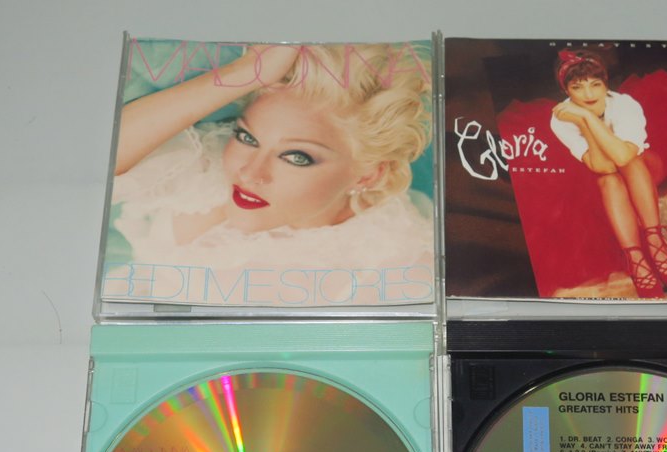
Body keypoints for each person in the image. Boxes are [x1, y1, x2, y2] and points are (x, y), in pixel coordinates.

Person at [107, 42, 433, 306]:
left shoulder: (395, 262)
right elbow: (105, 161)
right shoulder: (210, 171)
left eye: (296, 157)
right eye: (247, 137)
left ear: (367, 176)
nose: (250, 173)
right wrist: (247, 72)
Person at [550, 50, 667, 298]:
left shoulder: (624, 104)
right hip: (604, 177)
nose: (589, 94)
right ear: (566, 91)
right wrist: (585, 122)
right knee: (609, 180)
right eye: (578, 87)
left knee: (630, 163)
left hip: (645, 167)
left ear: (605, 83)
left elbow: (622, 158)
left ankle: (655, 242)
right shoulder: (561, 119)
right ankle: (636, 257)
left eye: (595, 84)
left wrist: (586, 117)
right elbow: (605, 167)